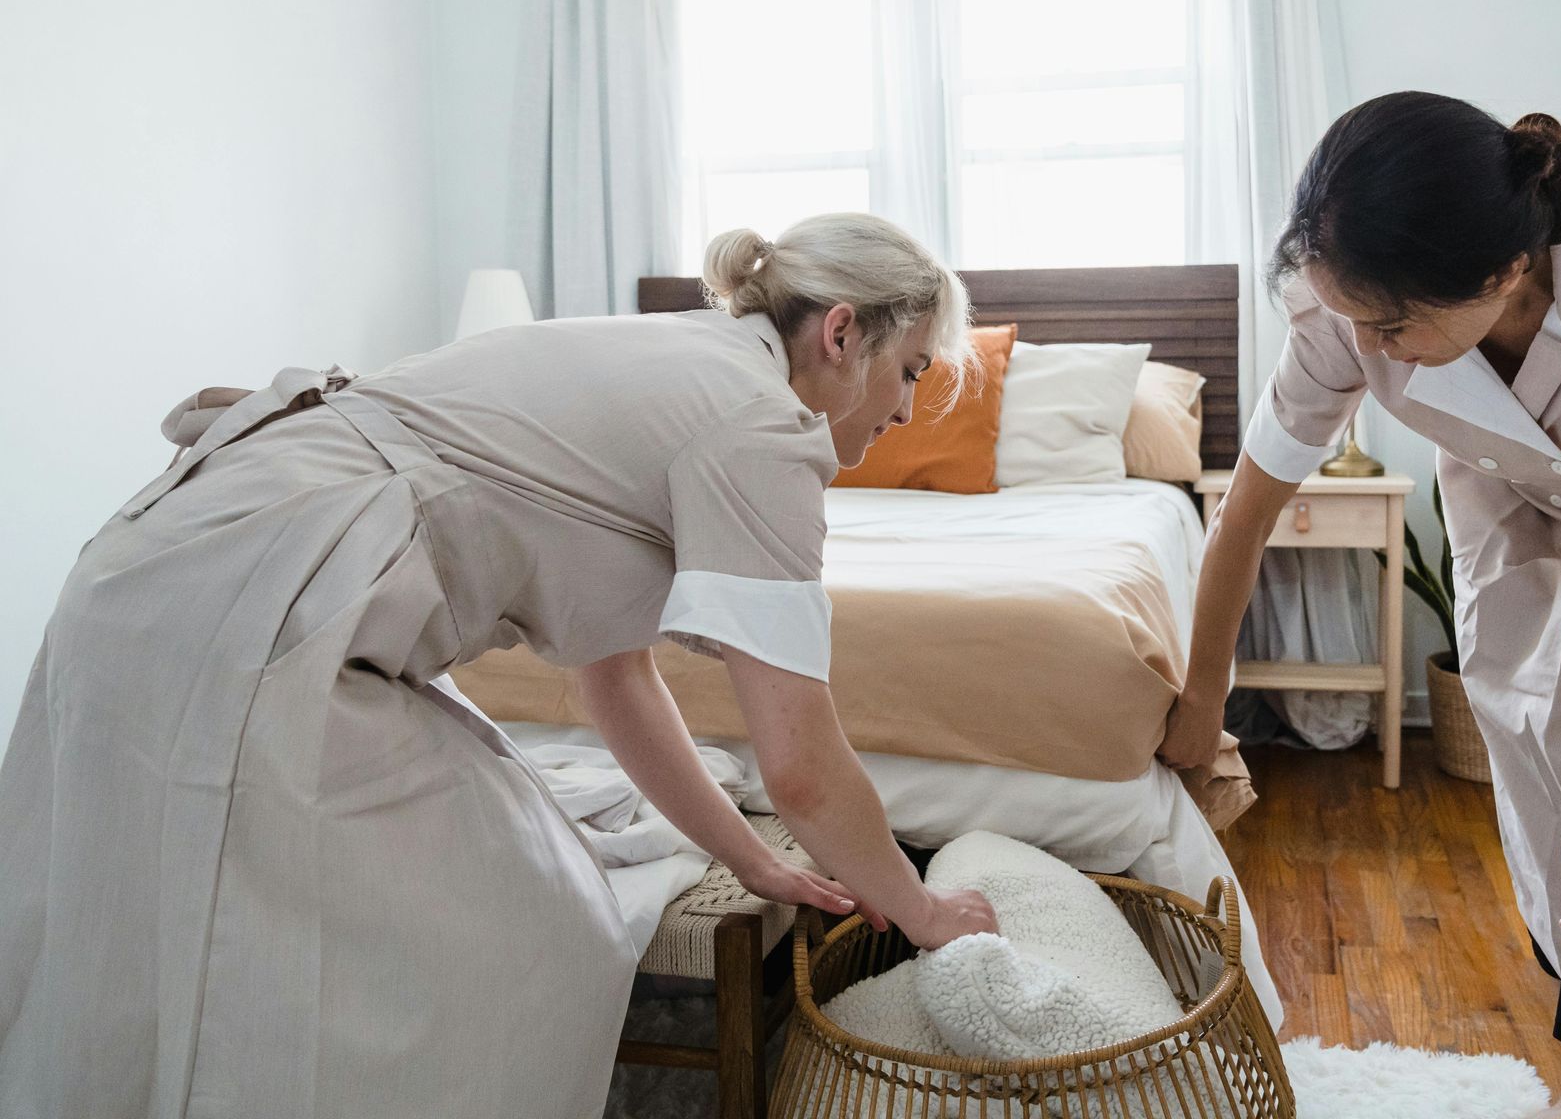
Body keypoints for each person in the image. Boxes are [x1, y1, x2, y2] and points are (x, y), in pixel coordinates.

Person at [0, 212, 998, 1118]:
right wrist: (921, 910)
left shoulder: (687, 363)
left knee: (137, 944)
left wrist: (748, 856)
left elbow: (618, 675)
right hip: (248, 603)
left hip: (159, 565)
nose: (909, 411)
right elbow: (804, 764)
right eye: (911, 368)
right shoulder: (761, 429)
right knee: (522, 926)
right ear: (840, 334)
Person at [1158, 92, 1561, 1119]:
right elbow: (1243, 513)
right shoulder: (1357, 310)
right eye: (1351, 318)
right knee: (1544, 760)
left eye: (1391, 325)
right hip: (1516, 495)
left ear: (1507, 271)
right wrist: (1204, 702)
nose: (1367, 346)